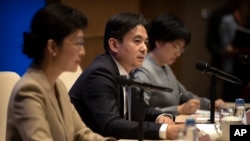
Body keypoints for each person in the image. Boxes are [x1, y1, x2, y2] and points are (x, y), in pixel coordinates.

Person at [6, 4, 115, 141]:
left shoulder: (58, 85)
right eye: (78, 43)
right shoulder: (28, 90)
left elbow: (81, 133)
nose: (82, 52)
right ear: (52, 46)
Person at [69, 12, 184, 140]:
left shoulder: (126, 71)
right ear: (114, 45)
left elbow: (138, 110)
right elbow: (111, 124)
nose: (144, 48)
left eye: (145, 42)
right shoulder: (100, 73)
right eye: (137, 41)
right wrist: (164, 130)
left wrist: (160, 117)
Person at [132, 13, 226, 116]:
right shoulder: (144, 69)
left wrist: (210, 104)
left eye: (181, 49)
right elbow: (141, 111)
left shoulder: (165, 66)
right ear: (159, 41)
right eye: (176, 46)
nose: (179, 53)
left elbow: (186, 95)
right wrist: (178, 110)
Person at [219, 0, 250, 102]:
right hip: (232, 67)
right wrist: (244, 49)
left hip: (246, 68)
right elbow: (226, 48)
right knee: (231, 98)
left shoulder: (247, 20)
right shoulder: (227, 20)